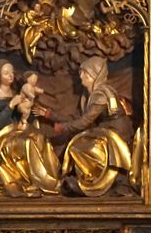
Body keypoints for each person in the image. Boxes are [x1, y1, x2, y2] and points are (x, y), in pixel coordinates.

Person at [50, 55, 139, 197]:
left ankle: (93, 183)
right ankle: (88, 179)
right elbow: (81, 119)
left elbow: (84, 121)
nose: (80, 76)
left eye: (84, 72)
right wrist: (51, 115)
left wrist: (63, 127)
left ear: (94, 75)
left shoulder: (101, 95)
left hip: (115, 133)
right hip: (105, 131)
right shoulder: (95, 93)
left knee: (79, 148)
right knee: (78, 143)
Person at [0, 59, 60, 198]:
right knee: (28, 143)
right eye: (6, 73)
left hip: (18, 131)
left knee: (41, 138)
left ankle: (49, 181)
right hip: (1, 137)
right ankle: (33, 182)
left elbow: (25, 115)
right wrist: (11, 105)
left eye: (12, 72)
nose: (11, 76)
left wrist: (29, 119)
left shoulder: (17, 92)